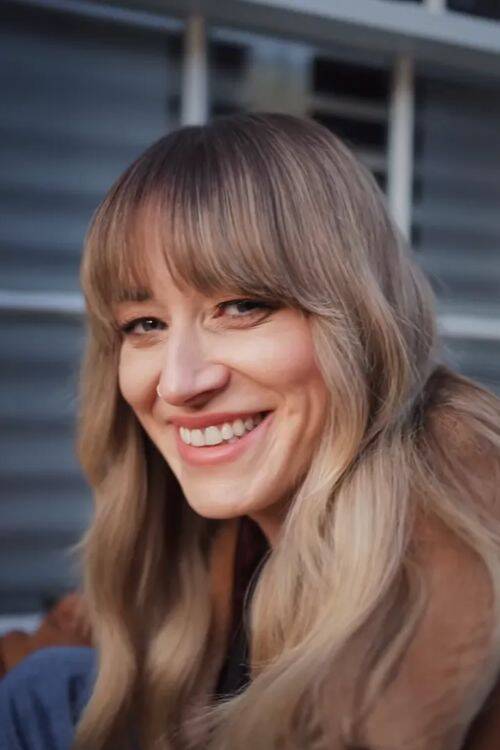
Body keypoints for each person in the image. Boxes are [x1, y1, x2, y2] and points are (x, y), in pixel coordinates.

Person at [1, 112, 500, 750]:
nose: (178, 383)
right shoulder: (224, 523)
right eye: (145, 324)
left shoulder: (456, 528)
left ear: (357, 319)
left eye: (241, 307)